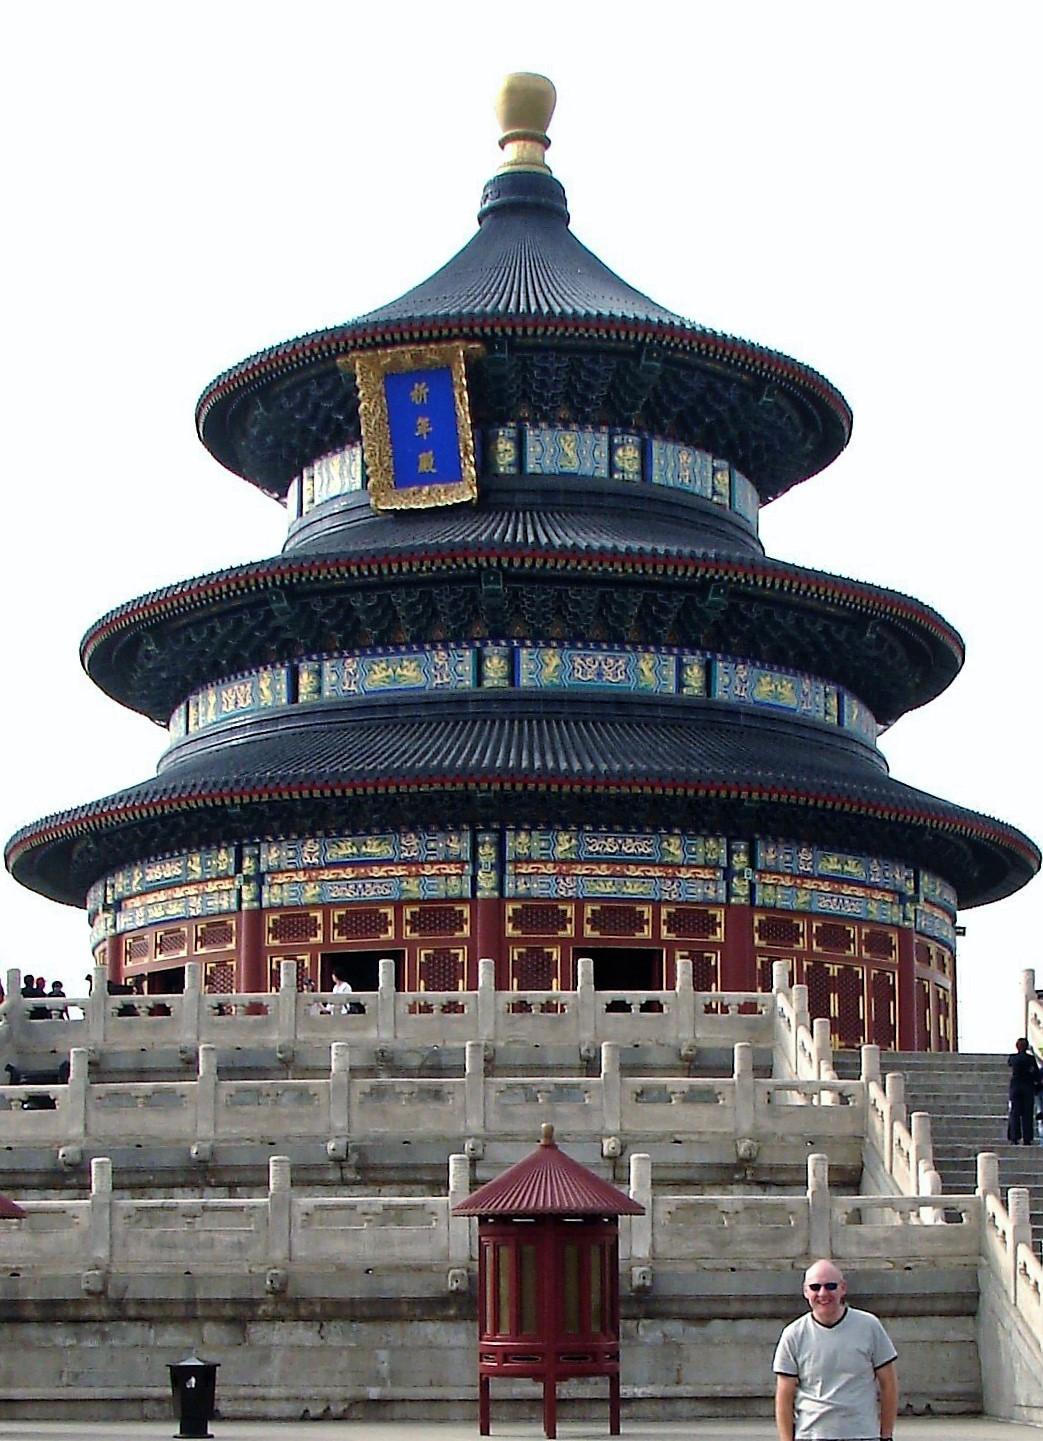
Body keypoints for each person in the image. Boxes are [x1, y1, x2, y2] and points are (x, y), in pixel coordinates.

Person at [773, 1258, 898, 1441]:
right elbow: (784, 1397)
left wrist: (886, 1436)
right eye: (815, 1287)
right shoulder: (793, 1335)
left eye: (830, 1286)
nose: (823, 1294)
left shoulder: (869, 1326)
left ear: (843, 1288)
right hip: (811, 1435)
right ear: (805, 1291)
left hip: (862, 1434)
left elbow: (889, 1385)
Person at [1007, 1037, 1041, 1145]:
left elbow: (1010, 1064)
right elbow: (1036, 1074)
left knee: (1015, 1113)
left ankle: (1014, 1137)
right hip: (1028, 1088)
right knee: (1027, 1114)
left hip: (1015, 1088)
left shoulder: (1013, 1058)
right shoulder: (1030, 1059)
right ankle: (1027, 1138)